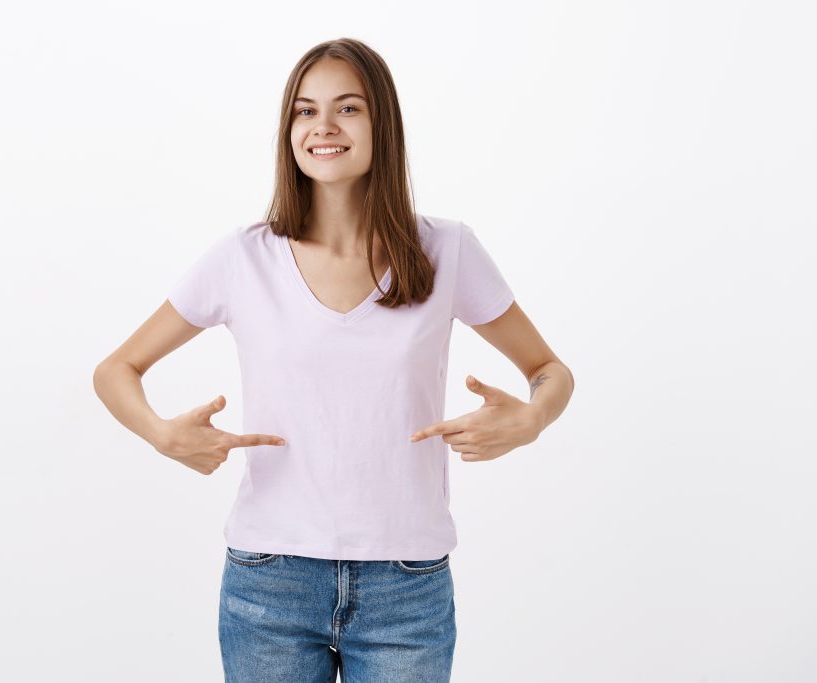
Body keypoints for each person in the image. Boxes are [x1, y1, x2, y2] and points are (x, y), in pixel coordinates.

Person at [93, 37, 575, 683]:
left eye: (348, 108)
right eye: (303, 110)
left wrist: (532, 417)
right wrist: (161, 433)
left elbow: (549, 368)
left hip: (407, 584)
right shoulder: (243, 257)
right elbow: (116, 368)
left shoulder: (448, 249)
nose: (322, 126)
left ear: (383, 124)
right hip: (269, 581)